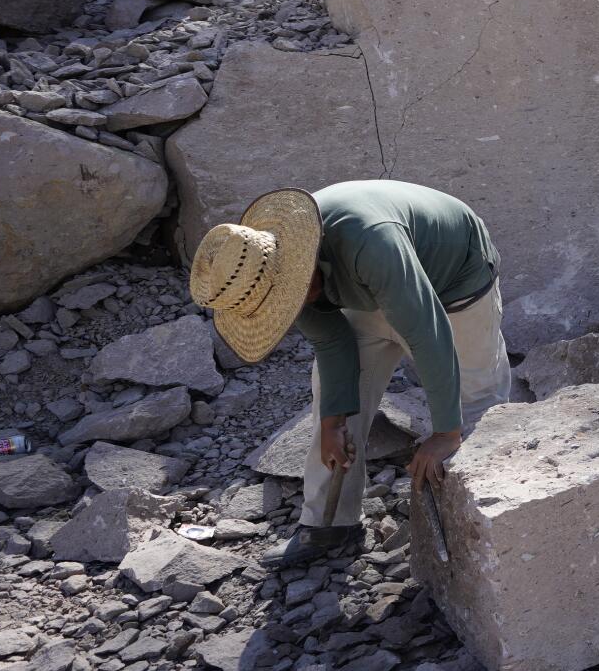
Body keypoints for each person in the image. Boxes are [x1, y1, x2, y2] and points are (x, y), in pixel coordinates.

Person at [188, 180, 512, 568]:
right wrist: (333, 421)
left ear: (301, 266)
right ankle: (328, 526)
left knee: (476, 403)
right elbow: (332, 343)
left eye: (295, 295)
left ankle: (497, 528)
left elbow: (429, 333)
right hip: (371, 281)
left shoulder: (369, 242)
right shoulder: (270, 278)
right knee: (329, 399)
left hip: (453, 281)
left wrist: (445, 432)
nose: (293, 307)